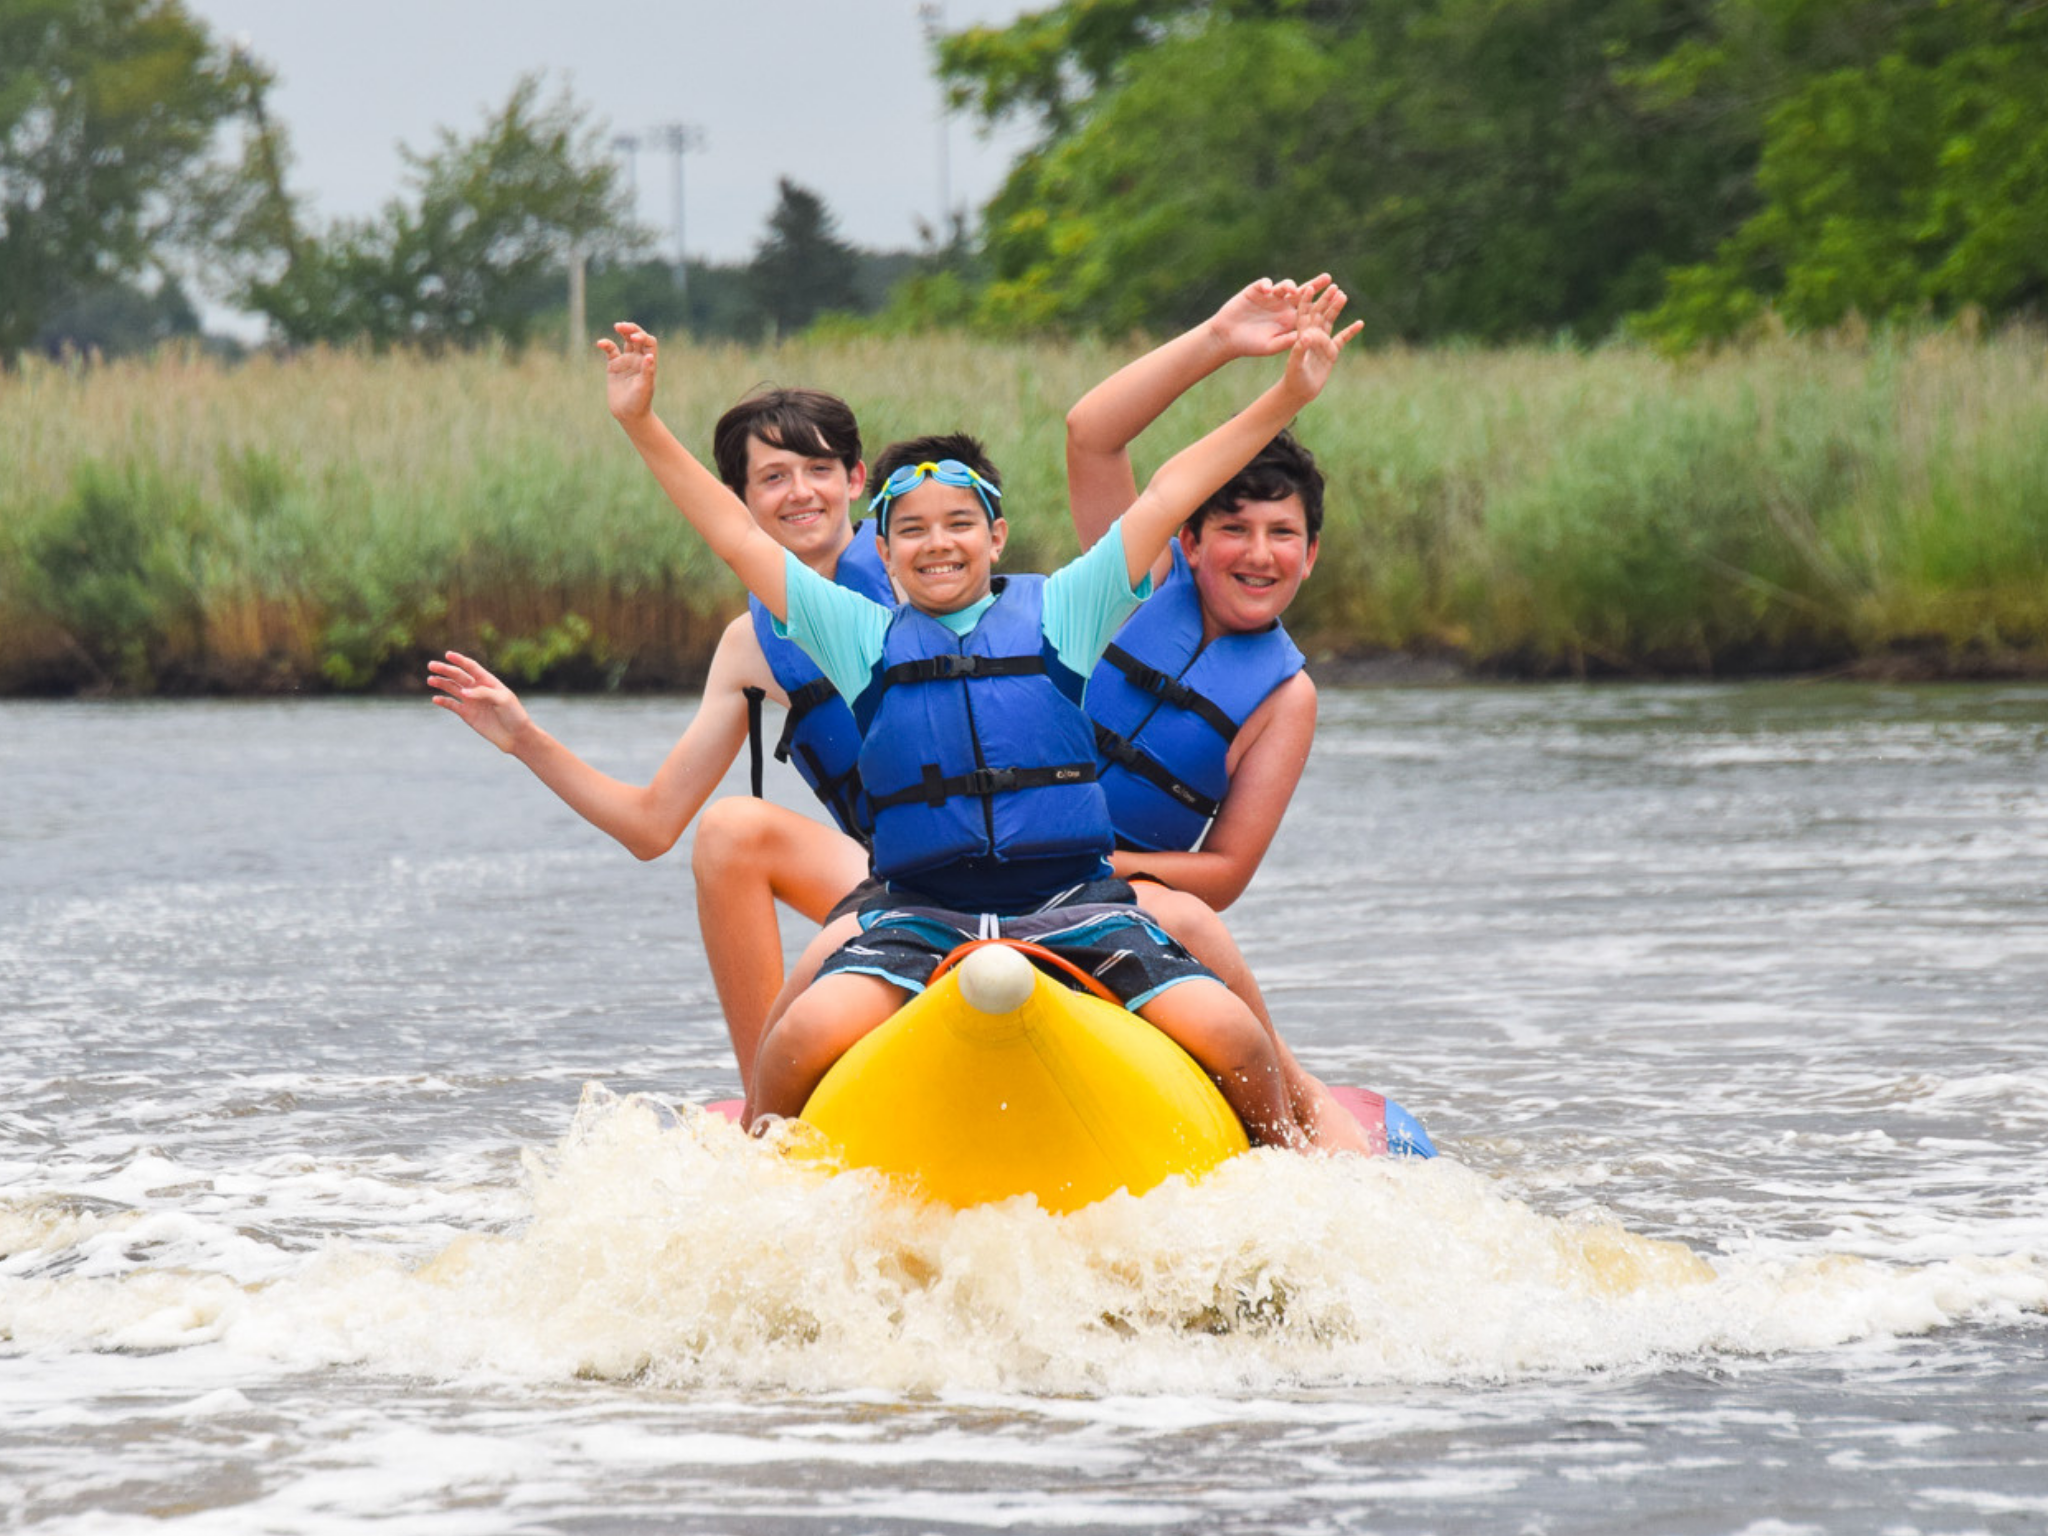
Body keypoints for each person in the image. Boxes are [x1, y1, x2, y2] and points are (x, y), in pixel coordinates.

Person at [597, 284, 1368, 1151]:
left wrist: (1290, 395)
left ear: (997, 538)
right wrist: (641, 424)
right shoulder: (854, 633)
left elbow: (1169, 492)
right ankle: (769, 1179)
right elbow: (734, 537)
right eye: (913, 529)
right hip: (922, 910)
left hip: (1074, 904)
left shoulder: (1064, 614)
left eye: (961, 523)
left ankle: (1280, 1179)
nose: (939, 543)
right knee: (801, 1040)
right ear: (880, 553)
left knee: (1233, 1036)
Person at [427, 388, 885, 1089]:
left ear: (855, 479)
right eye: (772, 477)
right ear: (741, 500)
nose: (801, 493)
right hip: (889, 875)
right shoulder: (751, 647)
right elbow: (650, 827)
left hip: (1006, 858)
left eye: (819, 470)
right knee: (730, 829)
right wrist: (524, 738)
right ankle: (770, 1110)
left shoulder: (927, 564)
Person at [1066, 275, 1346, 1137]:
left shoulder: (1283, 698)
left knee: (1190, 917)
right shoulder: (1132, 585)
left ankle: (1295, 1113)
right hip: (989, 857)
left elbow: (1223, 875)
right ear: (1188, 540)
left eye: (1282, 534)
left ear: (1310, 556)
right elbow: (1091, 435)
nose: (1258, 554)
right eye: (1234, 528)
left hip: (1127, 898)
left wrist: (1100, 864)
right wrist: (1222, 340)